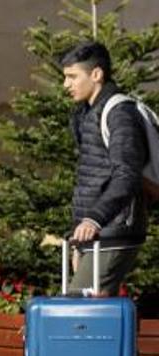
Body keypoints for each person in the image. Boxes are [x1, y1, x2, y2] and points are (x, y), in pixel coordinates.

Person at [62, 41, 148, 296]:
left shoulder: (118, 113)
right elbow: (95, 175)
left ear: (96, 74)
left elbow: (127, 175)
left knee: (78, 310)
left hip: (115, 228)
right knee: (85, 312)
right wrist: (82, 240)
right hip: (100, 233)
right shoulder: (89, 112)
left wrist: (93, 219)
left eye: (72, 77)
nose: (66, 85)